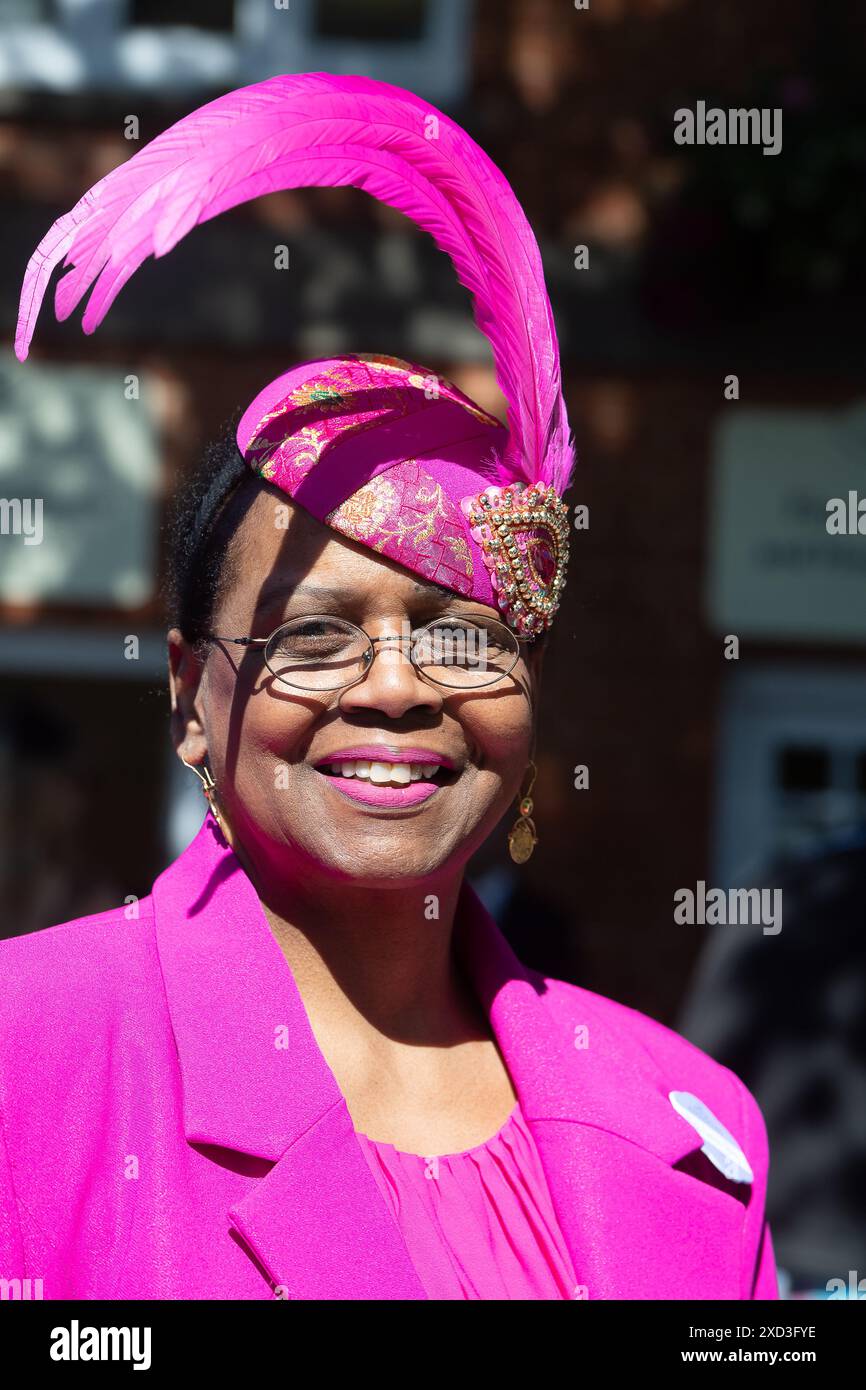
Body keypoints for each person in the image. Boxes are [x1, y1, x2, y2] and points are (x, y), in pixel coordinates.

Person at [1, 73, 777, 1300]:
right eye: (313, 637)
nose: (398, 687)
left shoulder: (686, 1126)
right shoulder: (31, 1061)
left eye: (461, 637)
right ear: (192, 691)